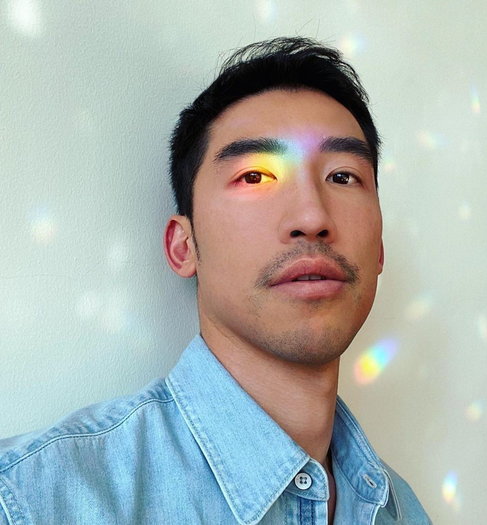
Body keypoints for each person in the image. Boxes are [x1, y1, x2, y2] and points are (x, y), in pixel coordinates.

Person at [0, 36, 431, 524]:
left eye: (343, 176)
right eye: (255, 177)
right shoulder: (31, 501)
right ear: (184, 246)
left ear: (378, 249)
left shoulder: (403, 510)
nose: (312, 218)